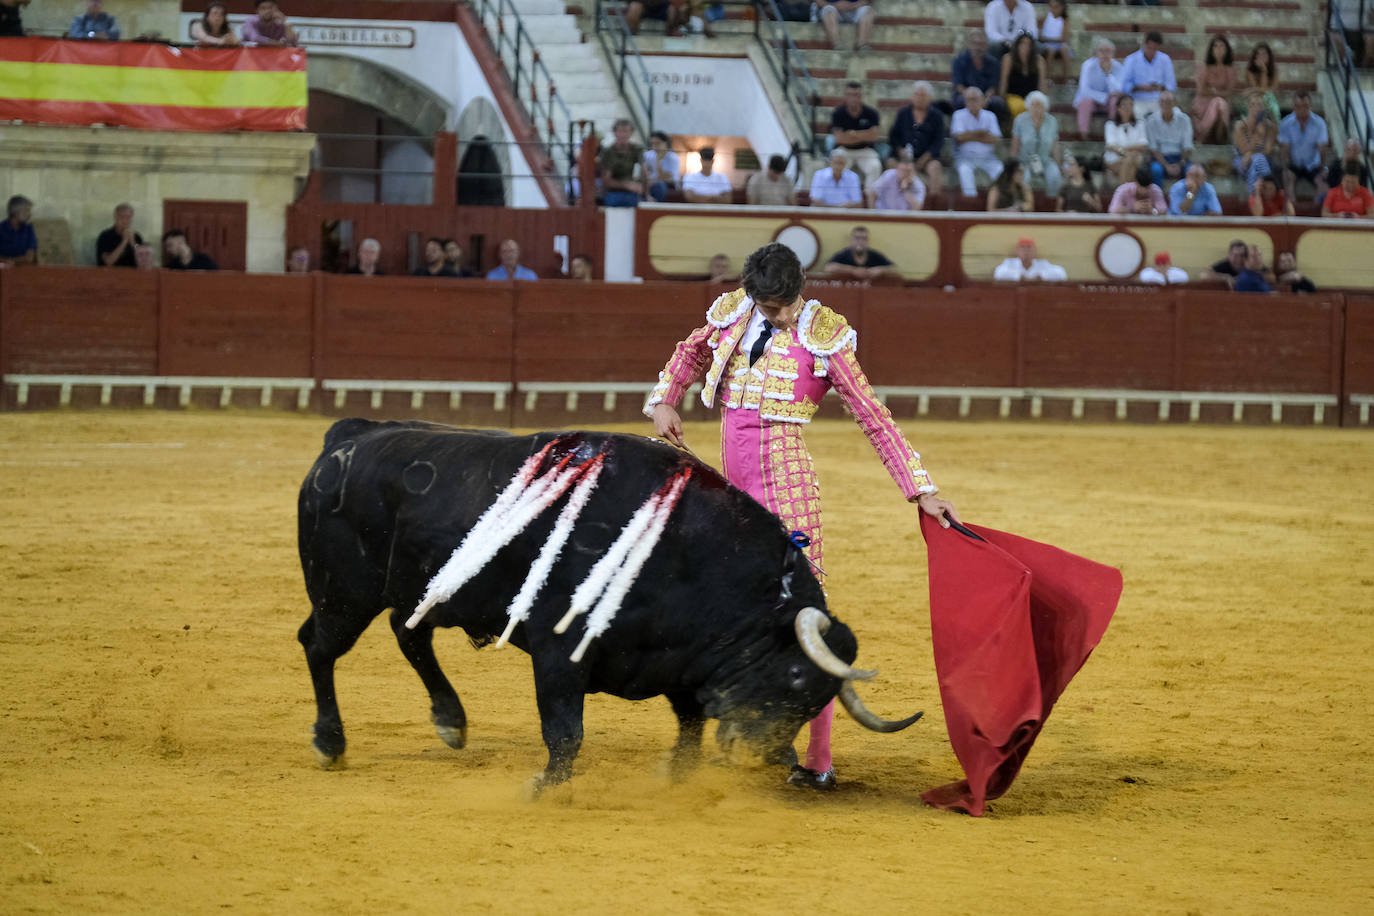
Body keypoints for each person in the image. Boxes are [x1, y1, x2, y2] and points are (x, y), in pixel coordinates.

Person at [645, 242, 958, 789]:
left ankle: (818, 760)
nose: (783, 316)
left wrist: (921, 490)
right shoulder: (734, 312)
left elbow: (873, 417)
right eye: (771, 308)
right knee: (728, 610)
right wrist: (667, 397)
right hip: (728, 490)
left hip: (786, 486)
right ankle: (757, 730)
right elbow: (691, 353)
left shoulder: (824, 333)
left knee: (804, 618)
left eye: (788, 304)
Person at [887, 81, 946, 202]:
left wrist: (925, 158)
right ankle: (894, 201)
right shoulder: (903, 113)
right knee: (891, 163)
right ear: (912, 96)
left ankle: (932, 204)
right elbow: (893, 136)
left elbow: (939, 141)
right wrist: (900, 150)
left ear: (929, 98)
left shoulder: (937, 116)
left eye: (923, 95)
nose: (919, 98)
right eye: (917, 95)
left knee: (935, 168)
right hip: (903, 157)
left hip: (927, 158)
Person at [950, 30, 1011, 126]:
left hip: (986, 97)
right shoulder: (959, 61)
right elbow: (959, 86)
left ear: (986, 45)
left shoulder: (993, 63)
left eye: (981, 44)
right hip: (965, 95)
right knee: (960, 100)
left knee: (998, 102)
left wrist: (984, 99)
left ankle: (997, 130)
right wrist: (973, 98)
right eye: (975, 43)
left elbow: (993, 87)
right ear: (969, 44)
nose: (978, 47)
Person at [1278, 92, 1330, 204]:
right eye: (1298, 106)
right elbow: (1284, 149)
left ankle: (1318, 213)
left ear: (1310, 106)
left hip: (1313, 164)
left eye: (1305, 106)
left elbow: (1322, 148)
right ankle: (1292, 211)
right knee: (1287, 181)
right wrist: (1286, 168)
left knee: (1323, 185)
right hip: (1294, 164)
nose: (1302, 109)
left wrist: (1322, 169)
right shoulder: (1286, 123)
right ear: (1293, 107)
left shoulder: (1319, 123)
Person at [952, 87, 1003, 198]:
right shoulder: (958, 115)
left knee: (1000, 171)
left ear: (982, 100)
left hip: (988, 157)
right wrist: (982, 133)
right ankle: (970, 203)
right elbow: (959, 137)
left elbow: (995, 139)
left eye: (975, 99)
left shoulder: (990, 116)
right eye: (969, 99)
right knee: (964, 170)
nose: (972, 102)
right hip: (965, 156)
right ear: (965, 101)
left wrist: (969, 136)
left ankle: (999, 200)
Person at [829, 83, 883, 188]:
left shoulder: (871, 113)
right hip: (844, 150)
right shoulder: (838, 113)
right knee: (836, 166)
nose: (853, 98)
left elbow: (874, 137)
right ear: (845, 96)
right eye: (850, 95)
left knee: (875, 167)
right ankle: (838, 200)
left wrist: (851, 134)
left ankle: (870, 200)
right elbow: (839, 138)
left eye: (856, 95)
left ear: (861, 96)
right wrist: (864, 135)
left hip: (865, 151)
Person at [1011, 90, 1061, 194]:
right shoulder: (1020, 120)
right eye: (1033, 105)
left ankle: (1051, 204)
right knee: (1024, 179)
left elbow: (1055, 145)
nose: (1036, 108)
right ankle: (1025, 205)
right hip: (1024, 161)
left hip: (1045, 160)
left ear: (1045, 107)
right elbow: (1015, 145)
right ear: (1028, 106)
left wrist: (1058, 164)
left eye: (1039, 105)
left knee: (1055, 176)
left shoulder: (1052, 121)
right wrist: (1014, 165)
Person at [1119, 32, 1176, 121]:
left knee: (1174, 115)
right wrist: (1140, 87)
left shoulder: (1165, 60)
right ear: (1144, 45)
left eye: (1155, 48)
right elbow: (1124, 85)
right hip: (1137, 100)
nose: (1151, 51)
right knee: (1136, 116)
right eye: (1149, 48)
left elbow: (1171, 85)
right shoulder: (1131, 60)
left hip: (1159, 100)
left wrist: (1159, 87)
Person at [1074, 38, 1121, 138]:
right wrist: (1105, 96)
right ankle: (1083, 134)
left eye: (1108, 51)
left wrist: (1108, 74)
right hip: (1092, 100)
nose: (1105, 54)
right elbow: (1084, 91)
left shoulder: (1118, 67)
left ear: (1113, 53)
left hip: (1109, 102)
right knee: (1086, 102)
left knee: (1115, 101)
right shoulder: (1087, 66)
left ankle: (1113, 133)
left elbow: (1118, 91)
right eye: (1101, 51)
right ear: (1096, 53)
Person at [1145, 91, 1193, 187]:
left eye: (1169, 101)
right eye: (1163, 101)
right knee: (1156, 170)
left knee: (1192, 171)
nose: (1166, 104)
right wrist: (1166, 165)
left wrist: (1180, 164)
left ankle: (1189, 198)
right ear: (1159, 103)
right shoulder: (1152, 121)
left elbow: (1187, 147)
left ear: (1174, 103)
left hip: (1180, 157)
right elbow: (1154, 149)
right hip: (1160, 158)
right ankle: (1159, 200)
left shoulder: (1184, 120)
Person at [1193, 35, 1235, 145]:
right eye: (1216, 46)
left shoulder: (1230, 69)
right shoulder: (1205, 67)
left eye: (1222, 46)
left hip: (1222, 105)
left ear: (1227, 50)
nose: (1219, 49)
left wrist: (1213, 91)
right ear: (1211, 49)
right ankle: (1211, 137)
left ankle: (1208, 137)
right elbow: (1201, 90)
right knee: (1219, 103)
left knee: (1219, 104)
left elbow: (1229, 92)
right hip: (1203, 104)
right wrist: (1219, 93)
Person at [1233, 91, 1275, 194]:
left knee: (1258, 160)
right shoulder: (1240, 125)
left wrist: (1252, 154)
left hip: (1262, 161)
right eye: (1252, 104)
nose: (1256, 107)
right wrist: (1257, 135)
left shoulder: (1269, 126)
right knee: (1258, 160)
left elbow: (1268, 150)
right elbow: (1243, 151)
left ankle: (1255, 194)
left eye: (1259, 105)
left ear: (1263, 108)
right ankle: (1265, 193)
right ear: (1247, 106)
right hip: (1242, 162)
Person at [598, 118, 644, 208]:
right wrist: (627, 185)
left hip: (632, 192)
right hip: (613, 192)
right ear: (614, 133)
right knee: (620, 200)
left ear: (631, 133)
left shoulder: (637, 149)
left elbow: (644, 171)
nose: (623, 135)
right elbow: (606, 180)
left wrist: (645, 190)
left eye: (626, 131)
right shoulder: (608, 152)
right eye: (620, 131)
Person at [1104, 95, 1149, 185]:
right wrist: (1127, 153)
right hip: (1115, 160)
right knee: (1130, 162)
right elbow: (1111, 145)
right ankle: (1129, 194)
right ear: (1118, 108)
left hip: (1134, 158)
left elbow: (1143, 145)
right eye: (1124, 105)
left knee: (1129, 161)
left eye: (1130, 105)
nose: (1127, 108)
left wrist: (1122, 150)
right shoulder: (1110, 125)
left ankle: (1121, 194)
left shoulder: (1140, 124)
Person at [999, 32, 1045, 120]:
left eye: (1029, 44)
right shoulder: (1008, 58)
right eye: (1022, 43)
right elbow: (1003, 81)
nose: (1025, 46)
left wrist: (1043, 99)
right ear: (1017, 45)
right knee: (1019, 107)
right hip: (1013, 96)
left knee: (1038, 107)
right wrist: (1002, 97)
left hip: (1032, 97)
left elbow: (1041, 84)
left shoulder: (1039, 60)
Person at [824, 226, 895, 281]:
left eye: (864, 239)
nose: (860, 241)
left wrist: (880, 270)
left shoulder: (874, 254)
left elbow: (894, 269)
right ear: (851, 241)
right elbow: (829, 268)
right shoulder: (844, 254)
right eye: (857, 238)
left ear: (868, 241)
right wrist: (852, 270)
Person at [992, 237, 1067, 281]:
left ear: (1035, 252)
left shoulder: (1042, 264)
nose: (1026, 251)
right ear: (1017, 251)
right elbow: (998, 273)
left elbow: (1061, 273)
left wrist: (1041, 276)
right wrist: (1019, 276)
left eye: (1029, 247)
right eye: (1023, 247)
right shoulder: (1010, 263)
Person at [1243, 43, 1281, 127]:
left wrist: (1264, 70)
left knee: (1269, 97)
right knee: (1257, 101)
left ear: (1269, 56)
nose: (1261, 56)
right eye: (1258, 54)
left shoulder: (1274, 69)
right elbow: (1259, 91)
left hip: (1269, 100)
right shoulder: (1250, 70)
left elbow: (1271, 90)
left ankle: (1275, 130)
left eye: (1264, 53)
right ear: (1255, 56)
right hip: (1254, 99)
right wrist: (1256, 89)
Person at [96, 204, 143, 268]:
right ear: (115, 217)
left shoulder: (137, 237)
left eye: (128, 217)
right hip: (110, 275)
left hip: (133, 275)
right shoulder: (105, 236)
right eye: (122, 217)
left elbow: (143, 261)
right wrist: (124, 241)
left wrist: (133, 243)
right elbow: (108, 262)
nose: (125, 220)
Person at [0, 195, 37, 268]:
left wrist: (9, 261)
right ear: (15, 212)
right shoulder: (1, 229)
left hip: (23, 269)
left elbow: (29, 257)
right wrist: (6, 262)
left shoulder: (29, 229)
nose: (29, 214)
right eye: (26, 210)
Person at [642, 131, 680, 203]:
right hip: (650, 183)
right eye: (652, 144)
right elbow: (643, 173)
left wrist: (658, 161)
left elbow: (665, 178)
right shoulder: (647, 155)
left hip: (669, 184)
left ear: (666, 143)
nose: (654, 146)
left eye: (657, 143)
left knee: (659, 186)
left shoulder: (672, 157)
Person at [1040, 0, 1072, 81]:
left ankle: (1066, 77)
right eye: (1051, 6)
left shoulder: (1064, 20)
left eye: (1056, 7)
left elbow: (1063, 38)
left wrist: (1049, 39)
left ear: (1062, 8)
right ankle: (1048, 77)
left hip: (1058, 43)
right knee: (1051, 51)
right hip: (1047, 43)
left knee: (1064, 50)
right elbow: (1040, 31)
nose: (1053, 9)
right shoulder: (1047, 16)